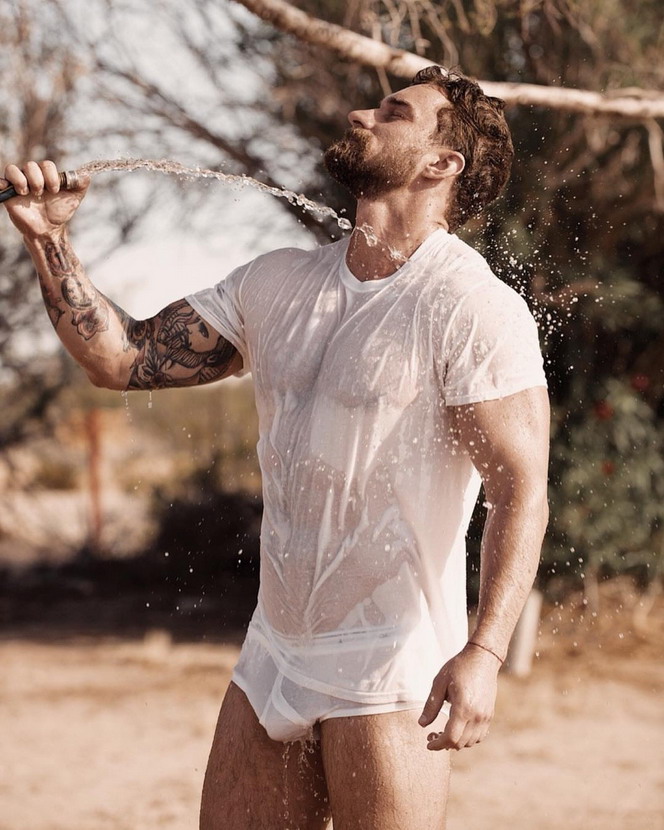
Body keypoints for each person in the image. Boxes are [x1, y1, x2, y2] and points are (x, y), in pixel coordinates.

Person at [2, 66, 549, 830]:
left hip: (391, 663)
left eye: (392, 112)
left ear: (441, 163)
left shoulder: (471, 306)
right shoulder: (278, 281)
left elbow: (521, 489)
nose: (360, 114)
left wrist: (485, 653)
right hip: (275, 653)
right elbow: (120, 359)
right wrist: (49, 239)